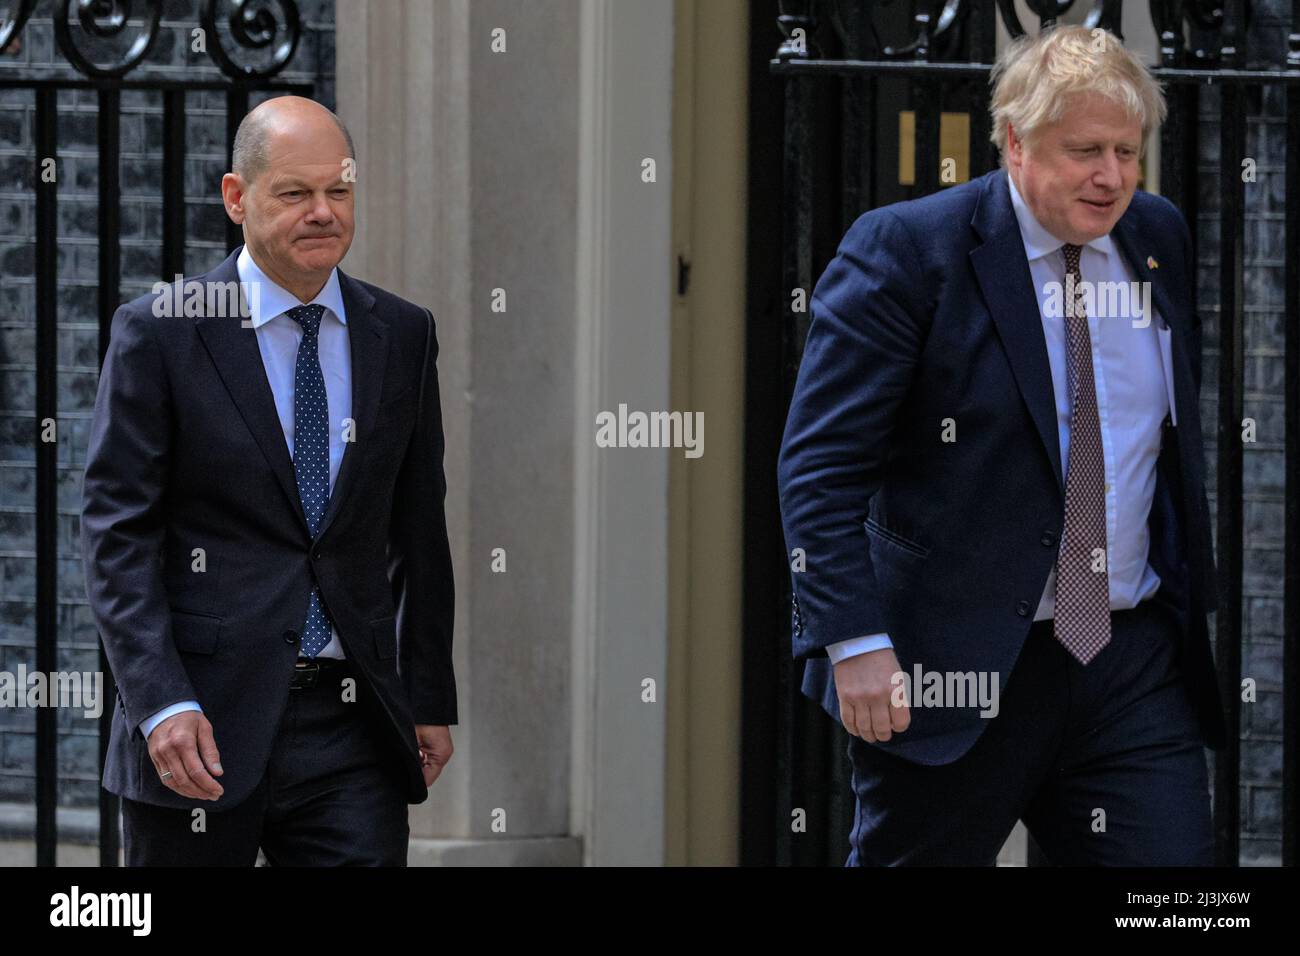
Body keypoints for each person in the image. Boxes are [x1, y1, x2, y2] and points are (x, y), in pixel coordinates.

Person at [777, 26, 1225, 865]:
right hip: (956, 663)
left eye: (1129, 151)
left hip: (1128, 659)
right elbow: (819, 466)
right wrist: (854, 642)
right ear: (1015, 141)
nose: (1113, 177)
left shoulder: (1155, 235)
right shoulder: (909, 250)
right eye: (1085, 149)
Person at [81, 95, 456, 865]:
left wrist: (425, 695)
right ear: (236, 197)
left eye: (339, 191)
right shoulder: (161, 330)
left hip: (353, 732)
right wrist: (159, 703)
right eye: (294, 193)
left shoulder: (404, 333)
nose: (323, 212)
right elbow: (117, 535)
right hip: (199, 731)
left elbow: (419, 529)